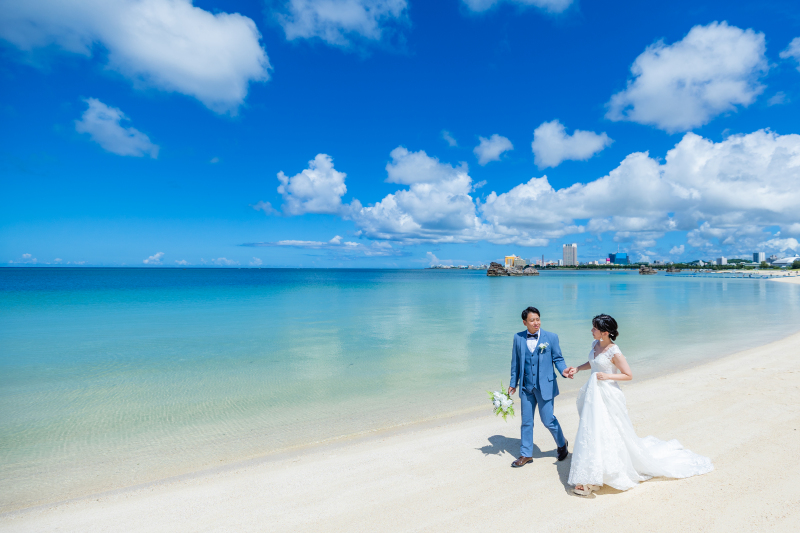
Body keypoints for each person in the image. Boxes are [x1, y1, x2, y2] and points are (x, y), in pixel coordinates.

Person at [567, 314, 713, 496]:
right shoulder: (595, 345)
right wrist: (578, 368)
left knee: (610, 429)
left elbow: (628, 374)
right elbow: (593, 363)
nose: (591, 330)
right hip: (593, 394)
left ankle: (603, 473)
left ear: (605, 333)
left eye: (595, 328)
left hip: (608, 394)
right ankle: (593, 472)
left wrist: (608, 376)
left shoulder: (614, 351)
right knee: (593, 430)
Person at [508, 307, 576, 468]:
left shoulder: (551, 337)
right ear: (525, 322)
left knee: (548, 420)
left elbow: (558, 359)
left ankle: (561, 443)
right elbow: (515, 363)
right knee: (526, 421)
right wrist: (513, 383)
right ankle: (526, 454)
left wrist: (564, 371)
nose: (536, 322)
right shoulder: (518, 338)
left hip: (545, 385)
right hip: (526, 387)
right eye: (532, 320)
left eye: (538, 319)